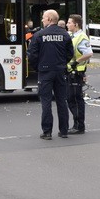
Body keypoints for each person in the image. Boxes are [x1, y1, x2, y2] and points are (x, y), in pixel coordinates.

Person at [27, 9, 73, 140]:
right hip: (60, 71)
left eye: (43, 17)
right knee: (61, 101)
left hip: (45, 72)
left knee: (46, 101)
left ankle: (47, 132)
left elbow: (32, 55)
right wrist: (62, 64)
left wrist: (38, 68)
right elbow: (70, 53)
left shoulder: (39, 35)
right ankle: (64, 131)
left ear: (49, 19)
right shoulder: (65, 34)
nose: (42, 20)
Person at [66, 14, 93, 135]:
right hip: (71, 71)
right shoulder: (72, 35)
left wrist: (75, 63)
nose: (67, 24)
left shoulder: (81, 37)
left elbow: (88, 53)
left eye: (69, 22)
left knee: (76, 100)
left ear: (76, 24)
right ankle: (76, 124)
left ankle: (79, 126)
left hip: (77, 72)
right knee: (71, 99)